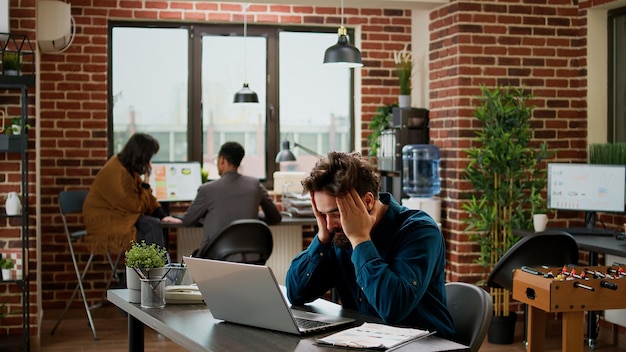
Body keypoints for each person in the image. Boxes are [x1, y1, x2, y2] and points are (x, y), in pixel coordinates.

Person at [285, 151, 455, 339]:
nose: (330, 224)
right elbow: (296, 293)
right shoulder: (335, 234)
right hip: (364, 341)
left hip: (426, 344)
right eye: (322, 214)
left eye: (336, 213)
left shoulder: (419, 231)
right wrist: (322, 237)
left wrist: (360, 239)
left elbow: (393, 308)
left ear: (367, 201)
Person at [83, 133, 181, 251]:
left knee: (154, 223)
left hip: (124, 215)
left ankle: (154, 266)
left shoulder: (128, 168)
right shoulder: (118, 172)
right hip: (105, 220)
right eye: (148, 157)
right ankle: (157, 267)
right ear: (141, 156)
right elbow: (136, 207)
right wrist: (147, 181)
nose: (149, 161)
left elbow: (146, 199)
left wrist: (162, 216)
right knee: (151, 225)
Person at [183, 141, 282, 247]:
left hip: (216, 257)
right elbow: (275, 217)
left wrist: (208, 218)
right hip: (250, 255)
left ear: (222, 160)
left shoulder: (207, 189)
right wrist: (255, 216)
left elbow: (188, 221)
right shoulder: (255, 185)